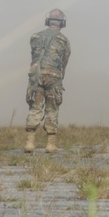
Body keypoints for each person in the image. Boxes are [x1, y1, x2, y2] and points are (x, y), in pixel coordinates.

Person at [24, 8, 71, 153]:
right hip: (54, 78)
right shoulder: (64, 40)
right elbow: (64, 61)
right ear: (62, 23)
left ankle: (30, 143)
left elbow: (34, 55)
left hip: (36, 77)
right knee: (52, 108)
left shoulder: (35, 37)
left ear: (48, 21)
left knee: (34, 108)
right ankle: (50, 145)